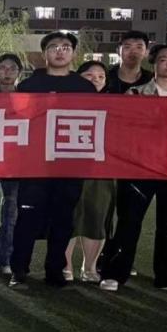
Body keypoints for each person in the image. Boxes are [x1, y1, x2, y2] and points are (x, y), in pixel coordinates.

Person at [98, 42, 167, 295]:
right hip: (138, 170)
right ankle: (114, 273)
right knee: (128, 222)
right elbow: (121, 131)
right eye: (163, 59)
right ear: (154, 63)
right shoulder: (136, 94)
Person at [9, 32, 96, 289]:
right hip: (34, 166)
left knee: (63, 220)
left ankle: (55, 269)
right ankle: (19, 269)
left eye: (66, 47)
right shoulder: (28, 86)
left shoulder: (85, 88)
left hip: (70, 165)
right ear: (45, 53)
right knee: (27, 219)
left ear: (73, 53)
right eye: (54, 47)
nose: (60, 51)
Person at [64, 60, 116, 284]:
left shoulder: (116, 106)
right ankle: (65, 265)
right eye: (89, 76)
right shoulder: (64, 103)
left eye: (100, 77)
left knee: (97, 218)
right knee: (68, 218)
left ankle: (90, 266)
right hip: (67, 169)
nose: (95, 80)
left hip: (101, 171)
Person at [0, 53, 23, 277]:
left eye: (12, 68)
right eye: (2, 67)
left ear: (19, 72)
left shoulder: (28, 97)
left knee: (11, 211)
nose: (7, 72)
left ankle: (7, 257)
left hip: (16, 161)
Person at [107, 30, 152, 94]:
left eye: (139, 47)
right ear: (118, 51)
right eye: (127, 47)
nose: (133, 51)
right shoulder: (105, 78)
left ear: (146, 53)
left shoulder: (151, 81)